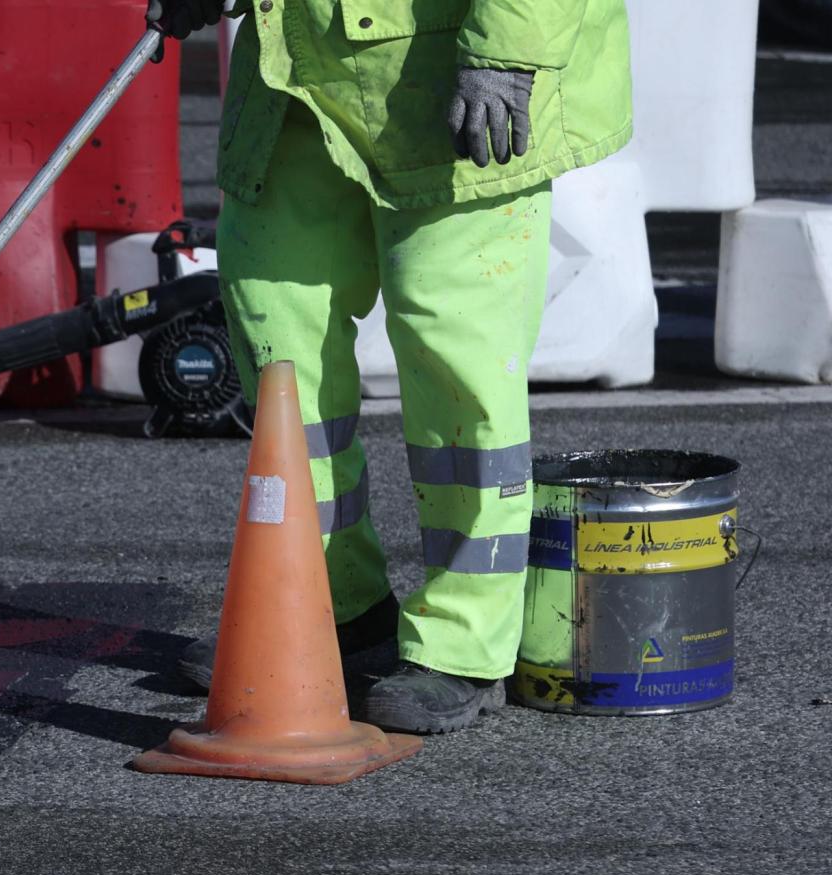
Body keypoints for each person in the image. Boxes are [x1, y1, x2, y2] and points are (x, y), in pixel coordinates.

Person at [151, 0, 632, 733]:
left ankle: (463, 642)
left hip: (454, 70)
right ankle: (330, 611)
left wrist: (506, 54)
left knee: (455, 358)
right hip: (299, 77)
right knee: (275, 337)